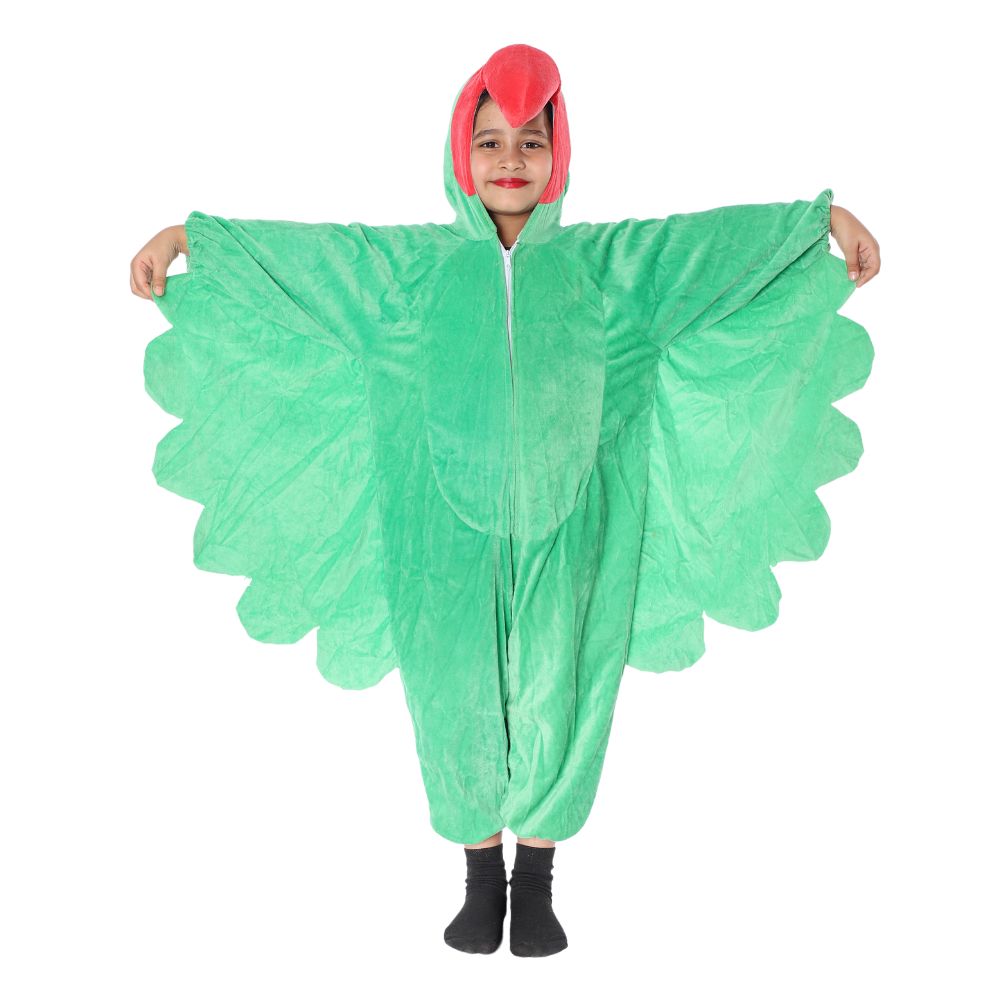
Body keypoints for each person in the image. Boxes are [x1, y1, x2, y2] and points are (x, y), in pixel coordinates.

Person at [129, 43, 881, 959]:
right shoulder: (404, 272)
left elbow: (709, 248)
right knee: (451, 691)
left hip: (580, 520)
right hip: (437, 530)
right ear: (461, 154)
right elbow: (307, 261)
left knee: (567, 681)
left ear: (560, 156)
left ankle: (541, 882)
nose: (511, 160)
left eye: (532, 141)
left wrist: (816, 225)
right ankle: (482, 880)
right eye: (490, 142)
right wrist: (191, 241)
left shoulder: (613, 267)